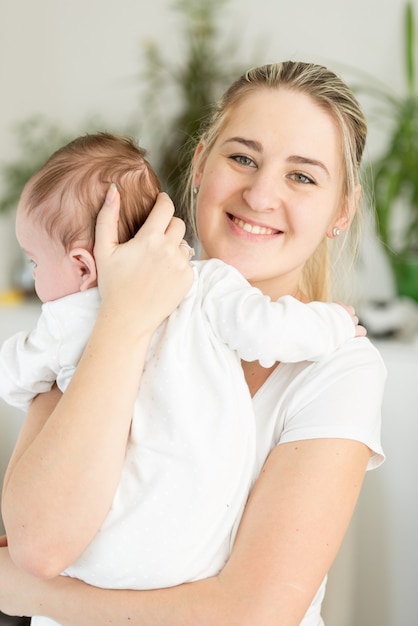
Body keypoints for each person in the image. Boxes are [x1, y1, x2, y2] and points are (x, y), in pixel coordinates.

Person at [0, 61, 386, 626]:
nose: (259, 194)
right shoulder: (92, 309)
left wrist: (31, 596)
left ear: (342, 210)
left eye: (302, 176)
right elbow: (38, 539)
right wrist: (124, 318)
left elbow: (253, 613)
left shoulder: (337, 366)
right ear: (201, 164)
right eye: (243, 158)